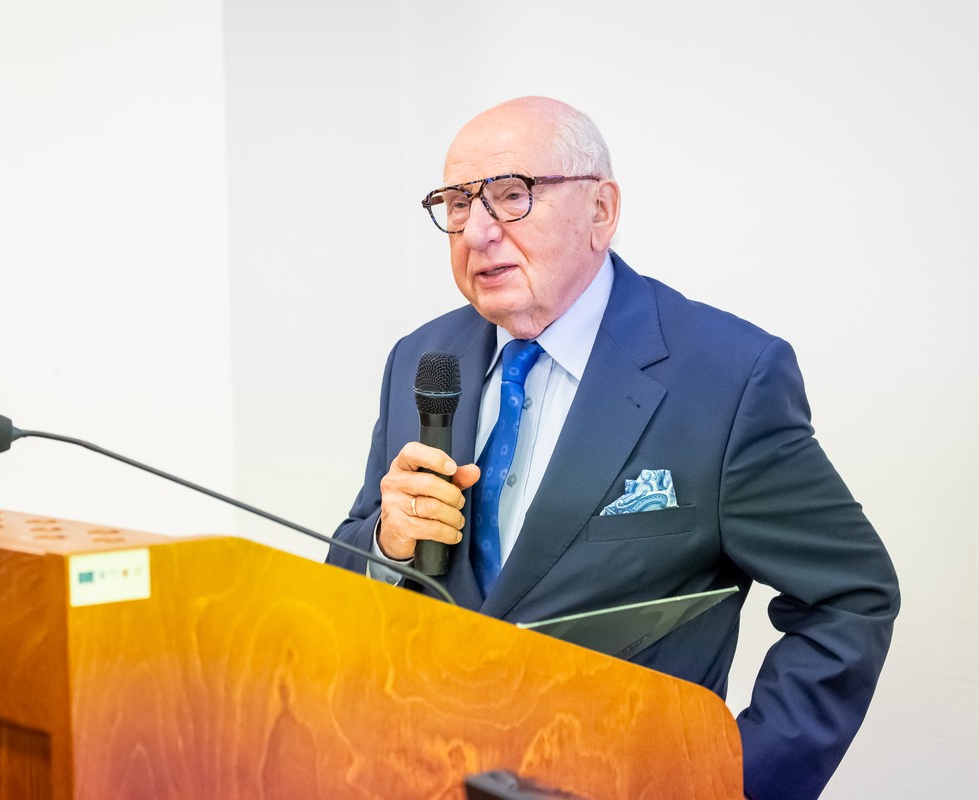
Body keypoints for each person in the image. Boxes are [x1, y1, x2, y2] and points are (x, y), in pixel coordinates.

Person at [328, 96, 899, 800]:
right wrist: (385, 543)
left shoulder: (725, 376)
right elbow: (351, 568)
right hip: (423, 775)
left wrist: (735, 781)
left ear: (601, 210)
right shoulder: (421, 358)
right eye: (456, 203)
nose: (476, 231)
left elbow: (849, 597)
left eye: (511, 194)